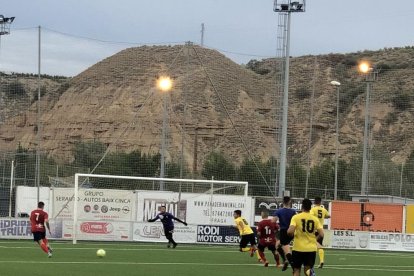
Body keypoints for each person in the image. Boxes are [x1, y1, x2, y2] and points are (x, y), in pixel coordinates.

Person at [287, 199, 324, 276]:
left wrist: (291, 235)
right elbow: (322, 234)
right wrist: (315, 240)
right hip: (311, 249)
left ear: (302, 207)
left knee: (296, 270)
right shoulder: (315, 219)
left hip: (298, 248)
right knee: (308, 270)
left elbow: (290, 232)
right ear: (310, 208)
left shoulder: (296, 217)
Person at [273, 196, 296, 271]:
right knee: (278, 245)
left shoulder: (279, 211)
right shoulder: (293, 211)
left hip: (283, 231)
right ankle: (285, 260)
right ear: (289, 202)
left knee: (286, 250)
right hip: (291, 231)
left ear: (283, 202)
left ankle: (293, 267)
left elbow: (274, 221)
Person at [310, 196, 330, 268]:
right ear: (320, 202)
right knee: (320, 245)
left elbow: (310, 216)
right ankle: (321, 261)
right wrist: (323, 217)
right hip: (321, 230)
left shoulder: (313, 209)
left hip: (314, 230)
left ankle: (310, 262)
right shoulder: (323, 209)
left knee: (312, 246)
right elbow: (329, 216)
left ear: (314, 202)